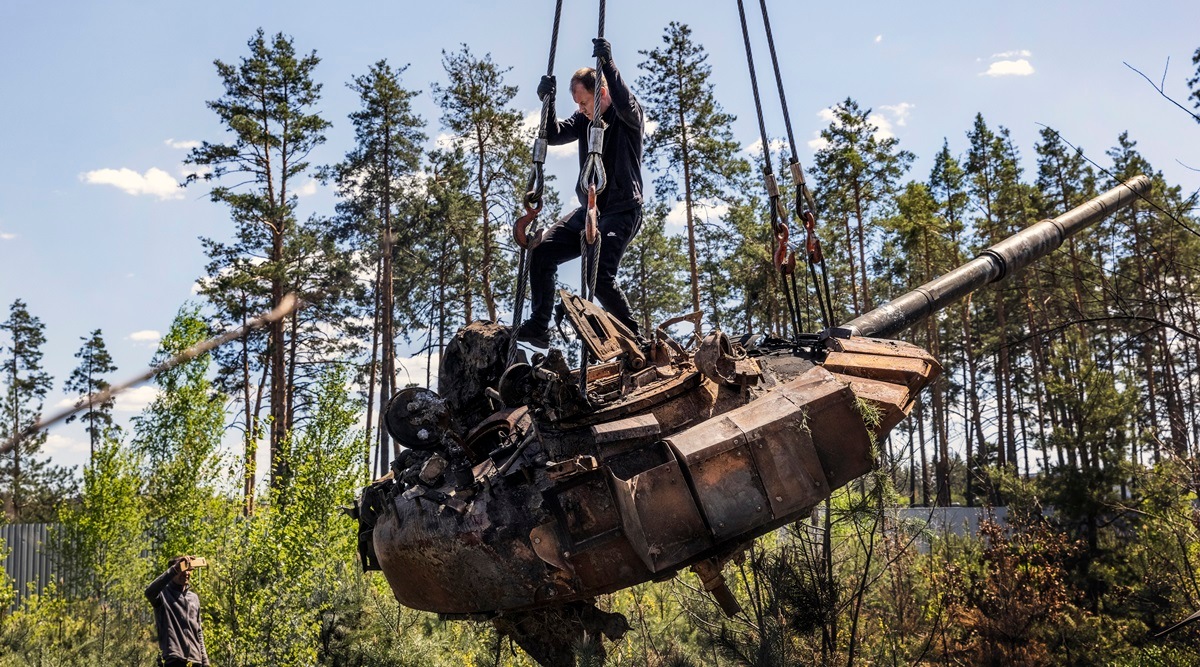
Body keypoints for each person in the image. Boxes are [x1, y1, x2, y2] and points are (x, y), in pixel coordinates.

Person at [515, 37, 645, 349]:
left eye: (584, 102)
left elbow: (624, 101)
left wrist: (609, 66)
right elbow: (555, 133)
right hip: (590, 212)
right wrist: (548, 101)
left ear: (601, 93)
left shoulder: (627, 115)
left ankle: (635, 338)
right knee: (541, 251)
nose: (582, 110)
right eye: (578, 105)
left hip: (622, 210)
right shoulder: (584, 120)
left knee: (597, 273)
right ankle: (539, 325)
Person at [145, 555, 210, 667]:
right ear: (173, 572)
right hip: (173, 658)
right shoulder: (163, 594)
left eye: (189, 570)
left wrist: (205, 661)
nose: (186, 573)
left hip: (195, 660)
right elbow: (149, 592)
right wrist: (174, 569)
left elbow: (198, 631)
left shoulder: (194, 598)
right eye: (183, 570)